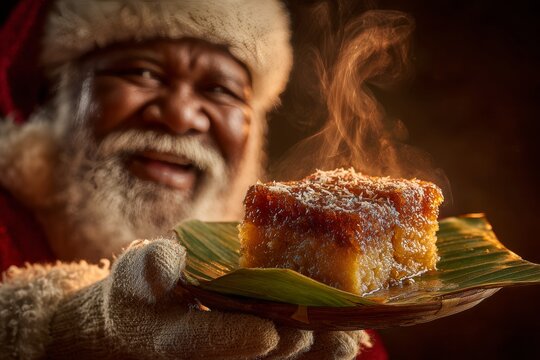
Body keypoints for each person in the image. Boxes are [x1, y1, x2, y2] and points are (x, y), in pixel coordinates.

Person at [0, 0, 387, 359]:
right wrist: (69, 327)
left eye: (220, 90)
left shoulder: (304, 287)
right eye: (142, 72)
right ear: (57, 94)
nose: (181, 116)